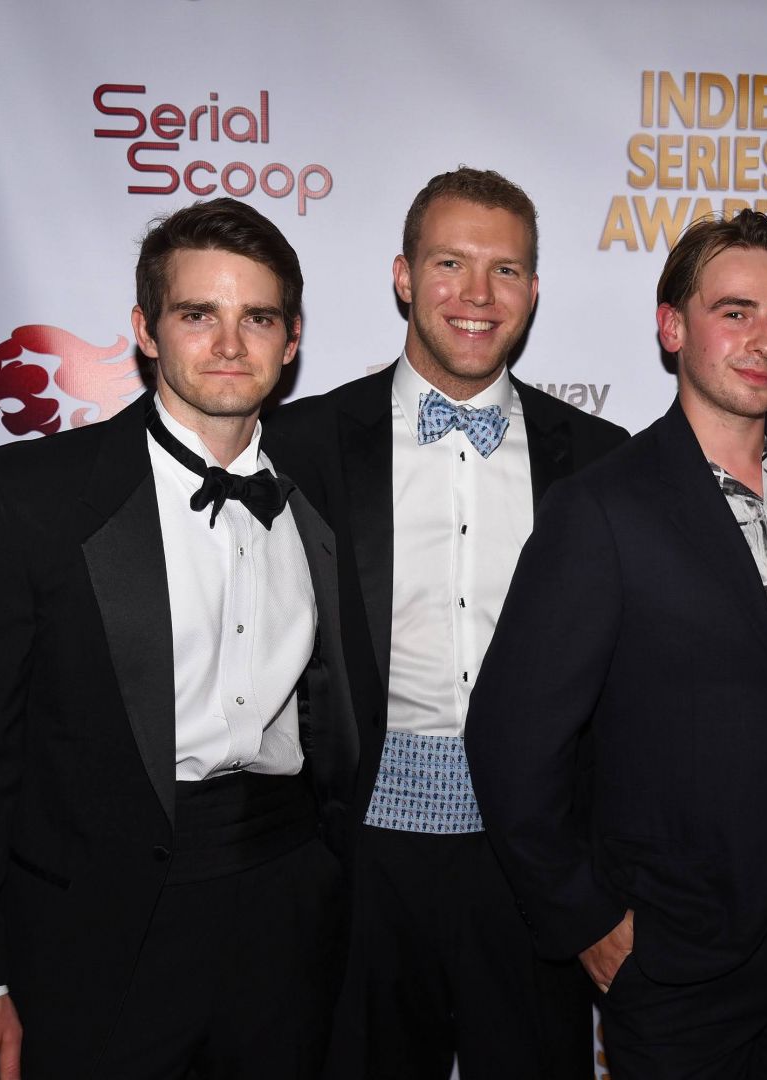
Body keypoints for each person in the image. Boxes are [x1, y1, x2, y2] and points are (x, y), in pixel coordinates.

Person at [0, 198, 358, 1079]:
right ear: (146, 331)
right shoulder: (24, 496)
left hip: (287, 911)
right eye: (198, 315)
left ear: (292, 339)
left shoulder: (328, 495)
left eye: (258, 318)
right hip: (95, 931)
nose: (230, 344)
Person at [464, 209, 767, 1078]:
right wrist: (586, 918)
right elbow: (511, 739)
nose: (763, 340)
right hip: (674, 954)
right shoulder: (601, 508)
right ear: (672, 326)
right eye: (735, 312)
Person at [264, 167, 628, 1079]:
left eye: (505, 270)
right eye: (450, 263)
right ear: (403, 276)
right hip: (358, 861)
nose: (477, 294)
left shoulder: (599, 459)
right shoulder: (301, 445)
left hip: (536, 863)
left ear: (533, 291)